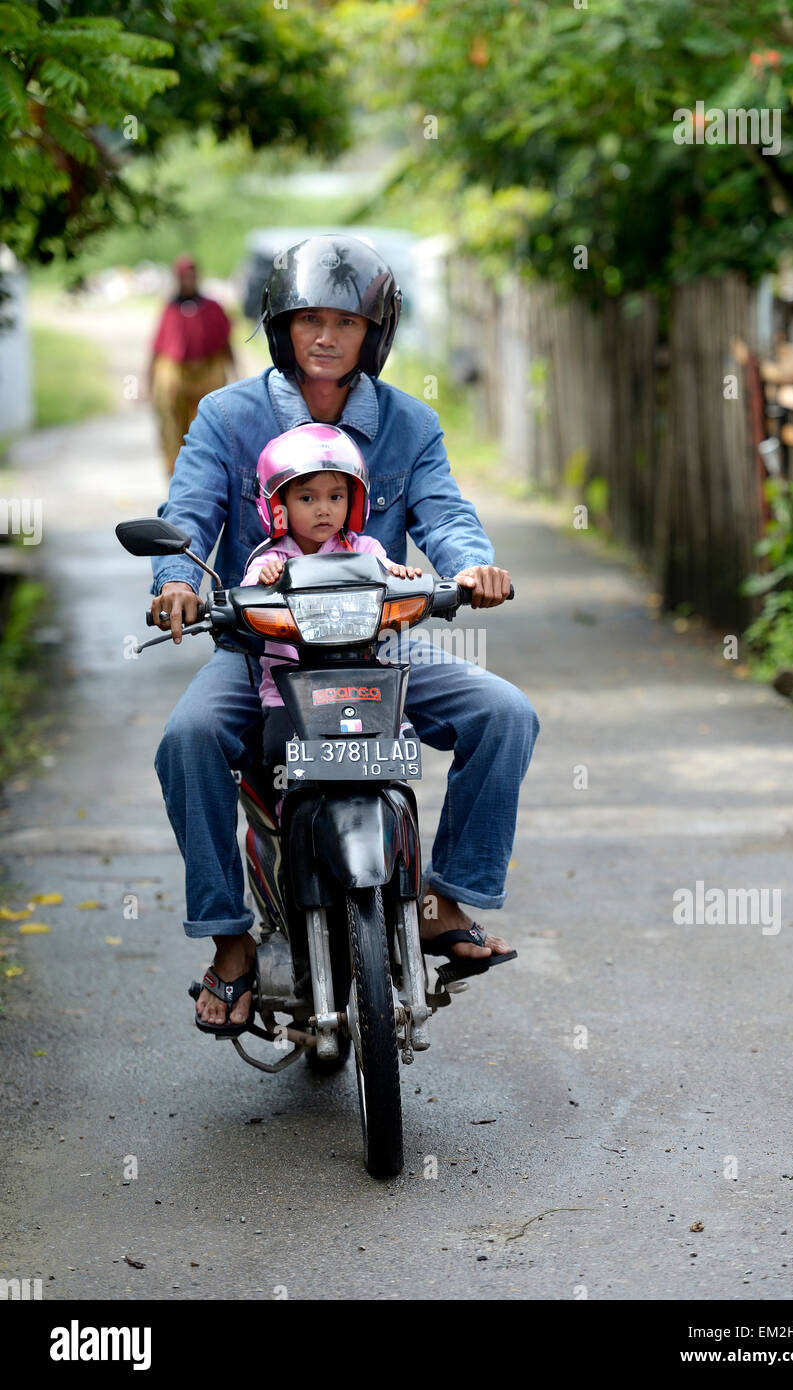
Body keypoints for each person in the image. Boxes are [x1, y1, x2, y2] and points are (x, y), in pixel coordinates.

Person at [150, 233, 540, 1032]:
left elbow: (445, 513)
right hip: (262, 648)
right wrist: (179, 582)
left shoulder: (409, 422)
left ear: (376, 334)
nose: (325, 337)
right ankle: (230, 943)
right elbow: (185, 515)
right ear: (278, 326)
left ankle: (440, 899)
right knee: (186, 738)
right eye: (308, 320)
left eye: (347, 322)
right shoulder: (227, 416)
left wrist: (471, 568)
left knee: (504, 714)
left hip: (376, 640)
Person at [241, 422, 421, 766]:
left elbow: (388, 573)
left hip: (365, 684)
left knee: (398, 749)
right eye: (307, 498)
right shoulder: (273, 560)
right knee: (281, 753)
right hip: (290, 692)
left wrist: (401, 576)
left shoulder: (366, 550)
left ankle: (394, 815)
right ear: (278, 507)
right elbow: (247, 593)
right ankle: (283, 816)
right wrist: (263, 580)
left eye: (335, 497)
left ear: (353, 501)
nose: (323, 508)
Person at [147, 254, 236, 476]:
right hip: (175, 373)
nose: (188, 279)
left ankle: (208, 476)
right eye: (184, 275)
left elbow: (225, 341)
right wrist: (148, 381)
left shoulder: (213, 307)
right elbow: (157, 346)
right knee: (172, 429)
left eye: (192, 274)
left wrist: (236, 372)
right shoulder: (169, 308)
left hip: (207, 372)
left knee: (207, 427)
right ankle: (177, 478)